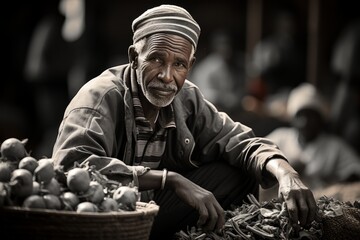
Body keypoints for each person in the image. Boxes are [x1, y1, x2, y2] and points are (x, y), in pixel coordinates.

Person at [51, 4, 316, 239]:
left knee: (240, 172)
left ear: (190, 65)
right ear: (134, 57)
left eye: (179, 64)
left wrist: (286, 173)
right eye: (156, 59)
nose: (167, 76)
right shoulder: (101, 96)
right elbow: (71, 166)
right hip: (103, 213)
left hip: (151, 209)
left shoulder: (187, 98)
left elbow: (239, 141)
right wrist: (169, 179)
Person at [266, 82, 360, 191]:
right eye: (301, 116)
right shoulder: (281, 137)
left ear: (321, 119)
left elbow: (356, 170)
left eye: (311, 116)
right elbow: (258, 156)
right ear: (293, 119)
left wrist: (331, 183)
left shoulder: (334, 146)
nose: (305, 122)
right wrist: (286, 167)